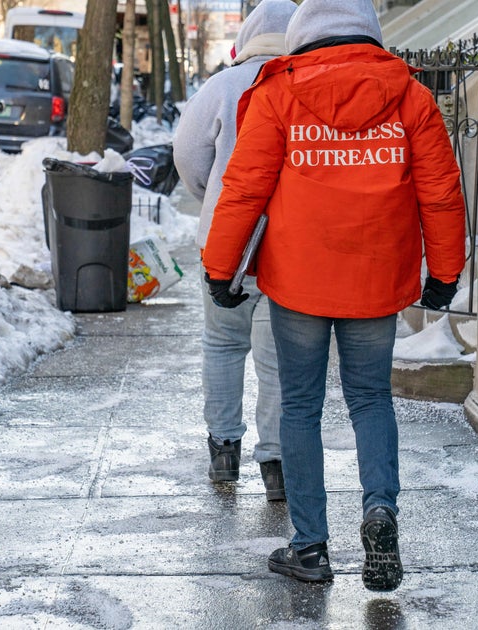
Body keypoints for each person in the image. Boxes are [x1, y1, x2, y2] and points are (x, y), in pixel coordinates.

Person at [201, 0, 466, 592]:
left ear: (302, 34)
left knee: (300, 406)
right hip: (377, 276)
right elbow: (441, 194)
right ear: (370, 32)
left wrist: (222, 269)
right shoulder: (411, 97)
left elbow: (243, 190)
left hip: (298, 278)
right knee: (371, 399)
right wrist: (445, 272)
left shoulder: (278, 95)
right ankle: (379, 511)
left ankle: (311, 547)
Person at [174, 0, 297, 502]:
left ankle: (223, 450)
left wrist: (214, 200)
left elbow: (186, 153)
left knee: (222, 345)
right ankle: (277, 464)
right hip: (287, 247)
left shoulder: (221, 87)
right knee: (279, 359)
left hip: (226, 244)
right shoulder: (299, 84)